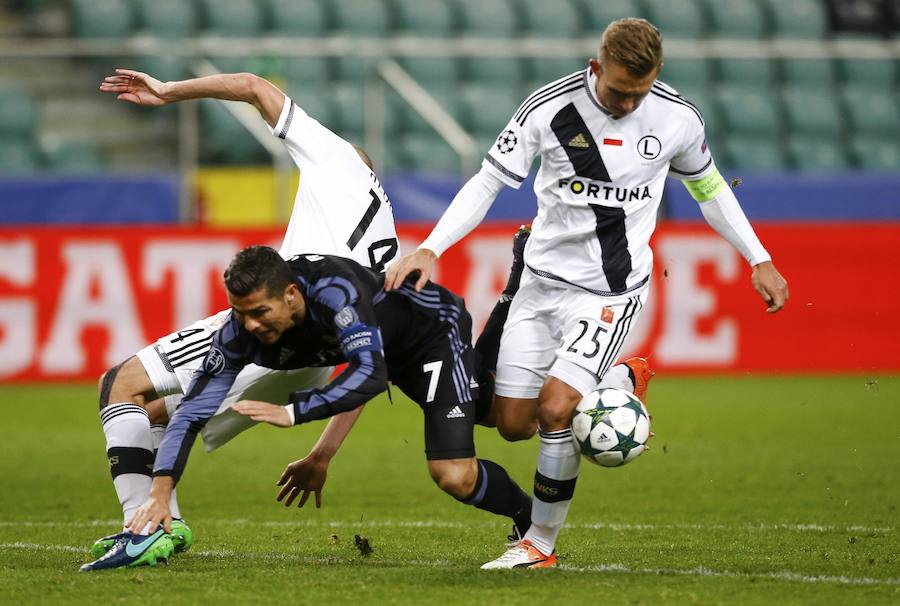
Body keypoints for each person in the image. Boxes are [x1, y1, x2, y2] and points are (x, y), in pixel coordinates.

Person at [384, 18, 789, 569]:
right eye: (618, 90)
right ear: (596, 67)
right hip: (539, 286)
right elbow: (487, 181)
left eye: (638, 93)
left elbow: (709, 188)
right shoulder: (548, 110)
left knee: (556, 409)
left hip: (609, 292)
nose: (626, 103)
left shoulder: (678, 119)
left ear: (656, 76)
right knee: (511, 423)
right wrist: (432, 247)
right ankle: (624, 379)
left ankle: (540, 545)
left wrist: (758, 257)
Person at [84, 68, 399, 568]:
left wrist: (168, 92)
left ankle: (140, 527)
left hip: (274, 331)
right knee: (156, 416)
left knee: (119, 385)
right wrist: (323, 453)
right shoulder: (386, 241)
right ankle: (161, 523)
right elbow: (369, 365)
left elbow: (252, 86)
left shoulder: (335, 158)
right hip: (312, 364)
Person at [110, 246, 533, 572]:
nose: (251, 325)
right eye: (241, 313)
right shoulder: (238, 334)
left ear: (292, 295)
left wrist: (295, 412)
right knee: (494, 415)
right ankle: (529, 515)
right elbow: (192, 411)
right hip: (391, 355)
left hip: (432, 333)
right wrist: (160, 492)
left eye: (260, 312)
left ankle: (517, 287)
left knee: (457, 470)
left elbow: (369, 374)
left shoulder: (336, 290)